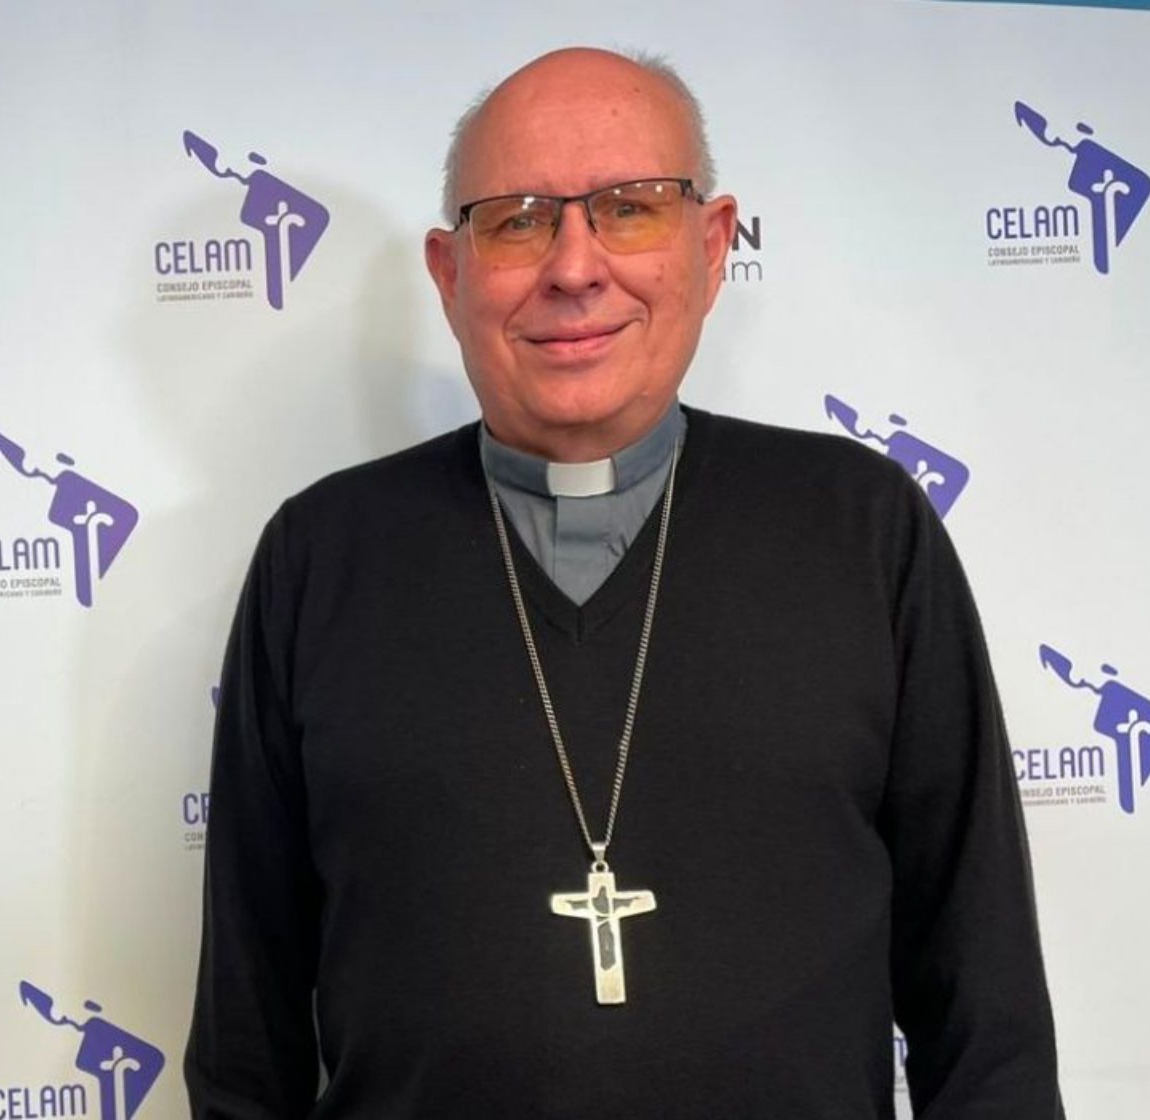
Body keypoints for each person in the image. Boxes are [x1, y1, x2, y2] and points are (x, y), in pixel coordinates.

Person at [185, 47, 1063, 1118]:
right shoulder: (321, 557)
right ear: (450, 272)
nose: (574, 267)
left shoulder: (862, 529)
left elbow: (987, 1012)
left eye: (630, 208)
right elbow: (246, 1045)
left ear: (713, 243)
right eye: (517, 221)